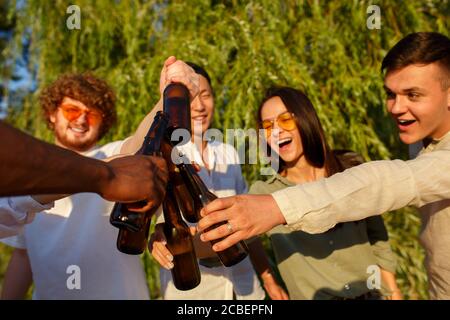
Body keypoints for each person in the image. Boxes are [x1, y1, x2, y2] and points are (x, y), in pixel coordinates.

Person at [197, 32, 450, 299]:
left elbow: (383, 185)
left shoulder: (349, 165)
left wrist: (277, 207)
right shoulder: (421, 141)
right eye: (390, 94)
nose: (396, 107)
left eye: (413, 94)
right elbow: (236, 242)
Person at [0, 58, 198, 299]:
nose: (81, 120)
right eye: (71, 110)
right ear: (52, 114)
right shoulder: (26, 171)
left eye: (91, 114)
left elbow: (143, 143)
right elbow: (23, 256)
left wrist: (168, 93)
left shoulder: (113, 155)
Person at [247, 86, 400, 300]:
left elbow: (377, 234)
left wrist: (392, 291)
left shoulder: (351, 169)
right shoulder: (265, 194)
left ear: (305, 118)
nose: (276, 131)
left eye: (285, 120)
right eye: (267, 126)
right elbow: (247, 238)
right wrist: (269, 280)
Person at [149, 62, 276, 300]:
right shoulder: (162, 155)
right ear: (175, 104)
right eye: (190, 97)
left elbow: (250, 225)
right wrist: (154, 241)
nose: (198, 106)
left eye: (204, 95)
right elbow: (153, 225)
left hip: (246, 288)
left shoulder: (229, 152)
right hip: (193, 293)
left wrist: (268, 278)